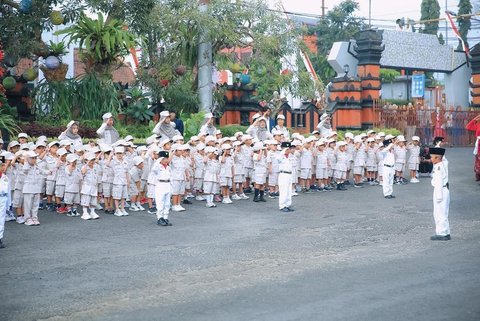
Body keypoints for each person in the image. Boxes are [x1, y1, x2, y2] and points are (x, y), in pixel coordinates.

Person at [429, 147, 450, 241]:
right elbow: (444, 158)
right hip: (444, 190)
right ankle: (445, 231)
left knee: (439, 213)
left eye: (432, 157)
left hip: (440, 191)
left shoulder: (438, 168)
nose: (430, 159)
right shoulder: (443, 163)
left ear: (437, 158)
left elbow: (438, 183)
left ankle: (442, 233)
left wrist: (438, 197)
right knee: (443, 212)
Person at [152, 151, 173, 226]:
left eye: (166, 158)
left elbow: (171, 177)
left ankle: (165, 217)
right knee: (160, 202)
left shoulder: (168, 167)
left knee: (167, 203)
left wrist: (172, 187)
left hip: (167, 184)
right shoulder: (157, 166)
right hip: (160, 184)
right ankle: (160, 217)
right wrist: (158, 160)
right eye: (164, 159)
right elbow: (154, 169)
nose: (166, 160)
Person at [277, 142, 295, 212]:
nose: (288, 150)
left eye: (289, 149)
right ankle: (282, 205)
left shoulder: (290, 156)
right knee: (284, 190)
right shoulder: (281, 156)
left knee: (288, 191)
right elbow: (278, 158)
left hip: (289, 174)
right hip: (283, 174)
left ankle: (287, 204)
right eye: (287, 149)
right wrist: (283, 151)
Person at [0, 156, 11, 248]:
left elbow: (8, 191)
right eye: (1, 165)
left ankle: (0, 237)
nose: (3, 167)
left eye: (3, 165)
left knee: (1, 219)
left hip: (3, 199)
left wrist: (9, 204)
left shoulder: (5, 177)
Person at [466, 115, 480, 181]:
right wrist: (475, 119)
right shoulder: (478, 124)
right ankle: (478, 175)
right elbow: (468, 126)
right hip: (479, 144)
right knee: (478, 159)